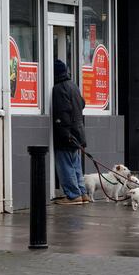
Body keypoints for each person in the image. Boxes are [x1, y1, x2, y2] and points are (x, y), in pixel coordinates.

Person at [52, 59, 89, 204]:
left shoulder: (59, 88)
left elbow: (62, 113)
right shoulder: (73, 85)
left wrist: (65, 133)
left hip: (67, 134)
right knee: (76, 165)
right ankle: (82, 193)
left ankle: (73, 195)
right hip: (78, 132)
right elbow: (82, 103)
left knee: (65, 165)